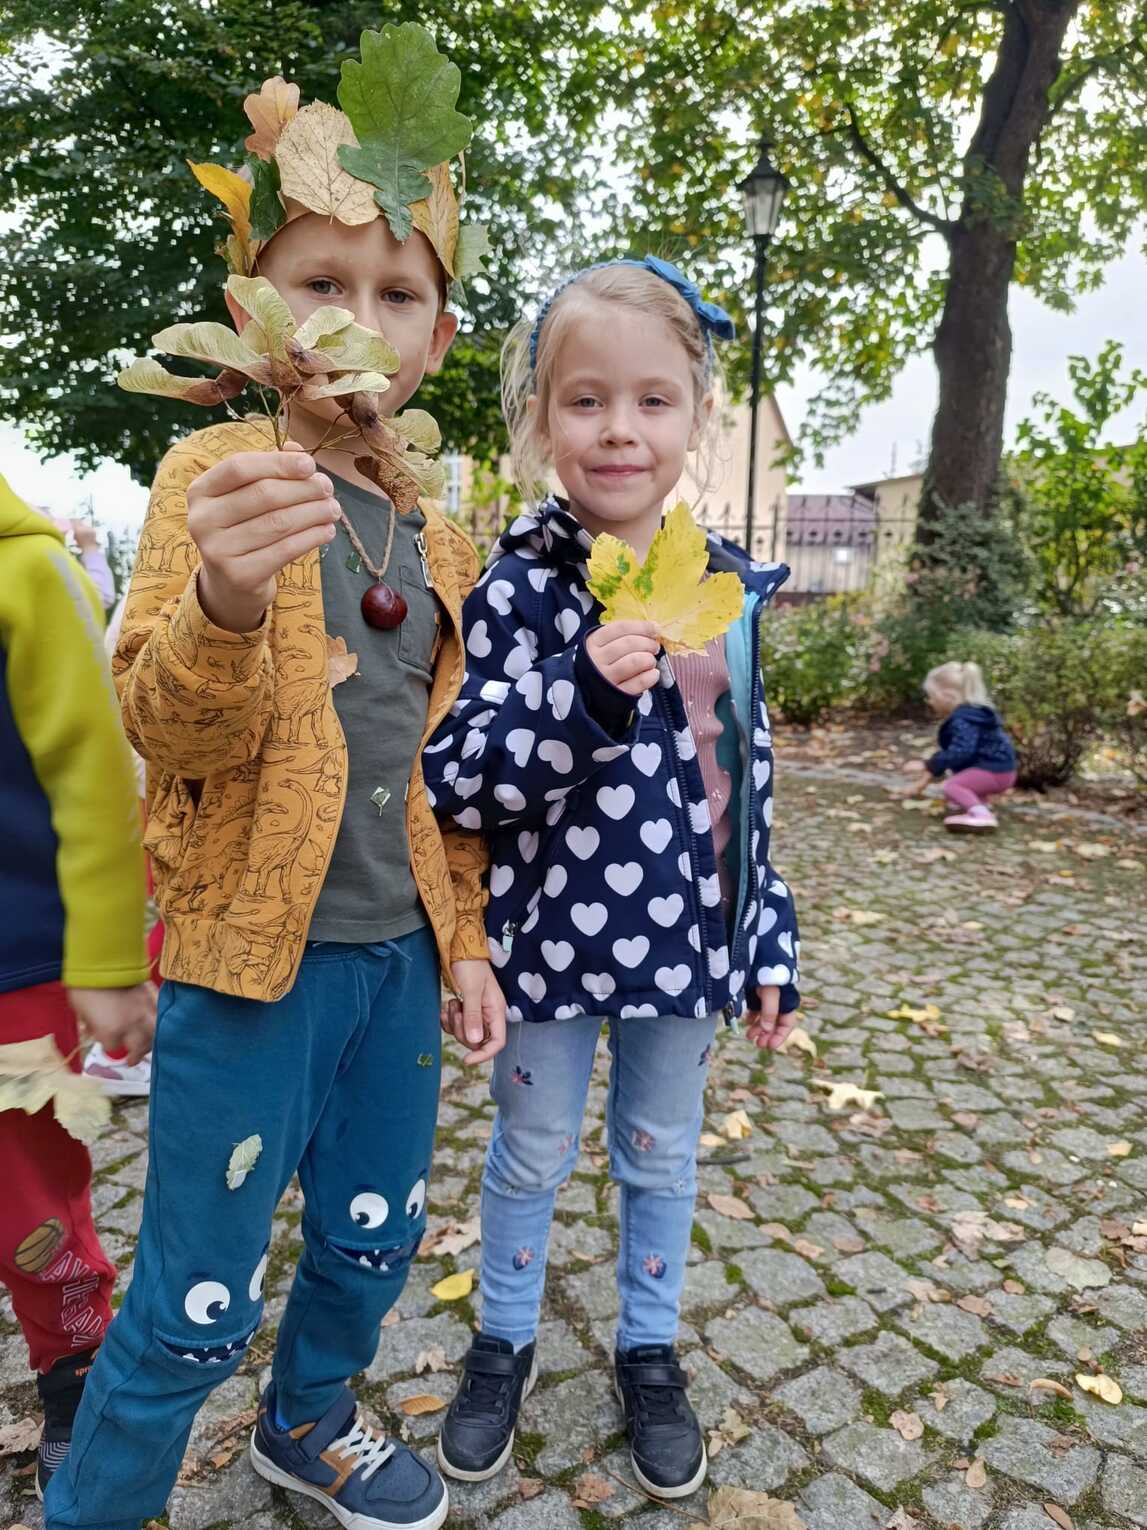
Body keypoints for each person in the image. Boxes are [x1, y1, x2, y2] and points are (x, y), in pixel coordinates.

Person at [45, 27, 502, 1530]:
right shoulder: (214, 483)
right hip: (251, 969)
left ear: (438, 335)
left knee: (373, 1236)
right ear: (256, 304)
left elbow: (444, 774)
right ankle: (103, 1501)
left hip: (395, 969)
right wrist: (228, 603)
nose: (356, 318)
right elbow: (164, 729)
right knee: (195, 1294)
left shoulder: (442, 538)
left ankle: (307, 1423)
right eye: (319, 280)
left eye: (396, 292)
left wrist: (467, 940)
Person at [422, 257, 802, 1501]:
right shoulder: (518, 585)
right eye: (585, 400)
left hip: (684, 949)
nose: (619, 429)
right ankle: (503, 1340)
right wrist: (580, 687)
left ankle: (648, 1350)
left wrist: (765, 935)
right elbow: (459, 776)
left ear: (696, 416)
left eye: (651, 400)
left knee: (660, 1154)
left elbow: (744, 787)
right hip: (544, 945)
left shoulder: (725, 595)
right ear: (541, 419)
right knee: (530, 1151)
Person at [0, 479, 155, 1498]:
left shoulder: (28, 569)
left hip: (14, 969)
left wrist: (106, 959)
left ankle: (72, 1357)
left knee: (30, 1196)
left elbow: (92, 768)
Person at [81, 595, 158, 1098]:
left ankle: (122, 1051)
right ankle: (120, 1054)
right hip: (161, 775)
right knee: (183, 913)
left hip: (148, 772)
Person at [900, 659, 1017, 831]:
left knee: (953, 786)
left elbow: (960, 751)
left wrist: (927, 764)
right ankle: (978, 804)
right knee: (957, 786)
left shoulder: (962, 720)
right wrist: (926, 777)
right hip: (1003, 771)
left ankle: (982, 816)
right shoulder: (975, 715)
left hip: (992, 771)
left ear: (947, 696)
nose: (929, 701)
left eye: (931, 696)